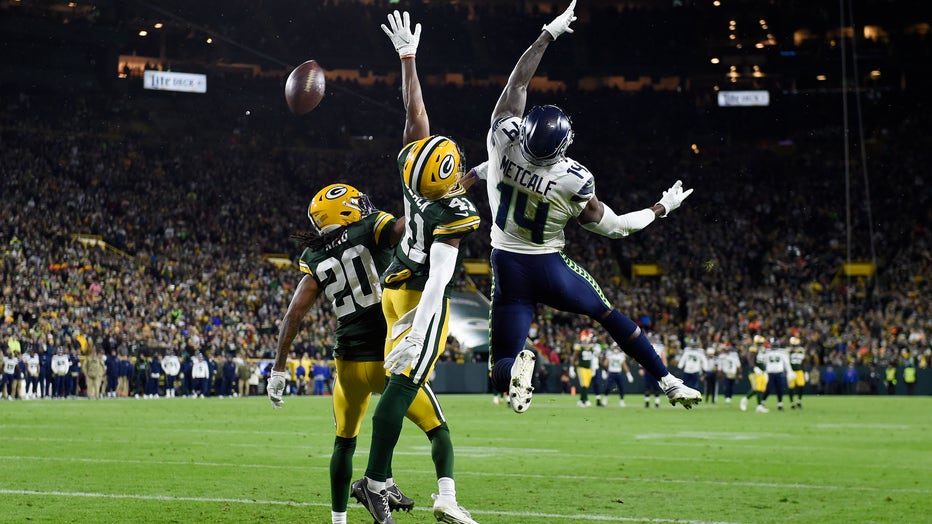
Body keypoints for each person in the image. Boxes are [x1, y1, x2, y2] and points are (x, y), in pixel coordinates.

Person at [475, 0, 701, 413]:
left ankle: (517, 370)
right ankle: (668, 381)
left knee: (499, 367)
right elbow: (615, 227)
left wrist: (548, 33)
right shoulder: (572, 179)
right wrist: (661, 208)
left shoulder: (503, 138)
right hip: (549, 268)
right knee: (608, 315)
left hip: (506, 261)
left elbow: (518, 85)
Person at [343, 11, 480, 524]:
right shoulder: (454, 209)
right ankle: (375, 480)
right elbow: (443, 274)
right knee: (404, 381)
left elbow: (414, 114)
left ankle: (442, 491)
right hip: (423, 295)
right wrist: (423, 326)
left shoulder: (414, 177)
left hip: (393, 287)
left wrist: (407, 59)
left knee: (426, 407)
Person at [601, 342, 634, 407]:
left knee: (621, 387)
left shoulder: (621, 355)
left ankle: (621, 401)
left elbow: (624, 365)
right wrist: (604, 371)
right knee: (608, 387)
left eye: (617, 347)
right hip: (611, 373)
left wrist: (628, 374)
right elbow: (605, 364)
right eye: (615, 347)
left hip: (618, 373)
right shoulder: (610, 354)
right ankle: (605, 399)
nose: (616, 349)